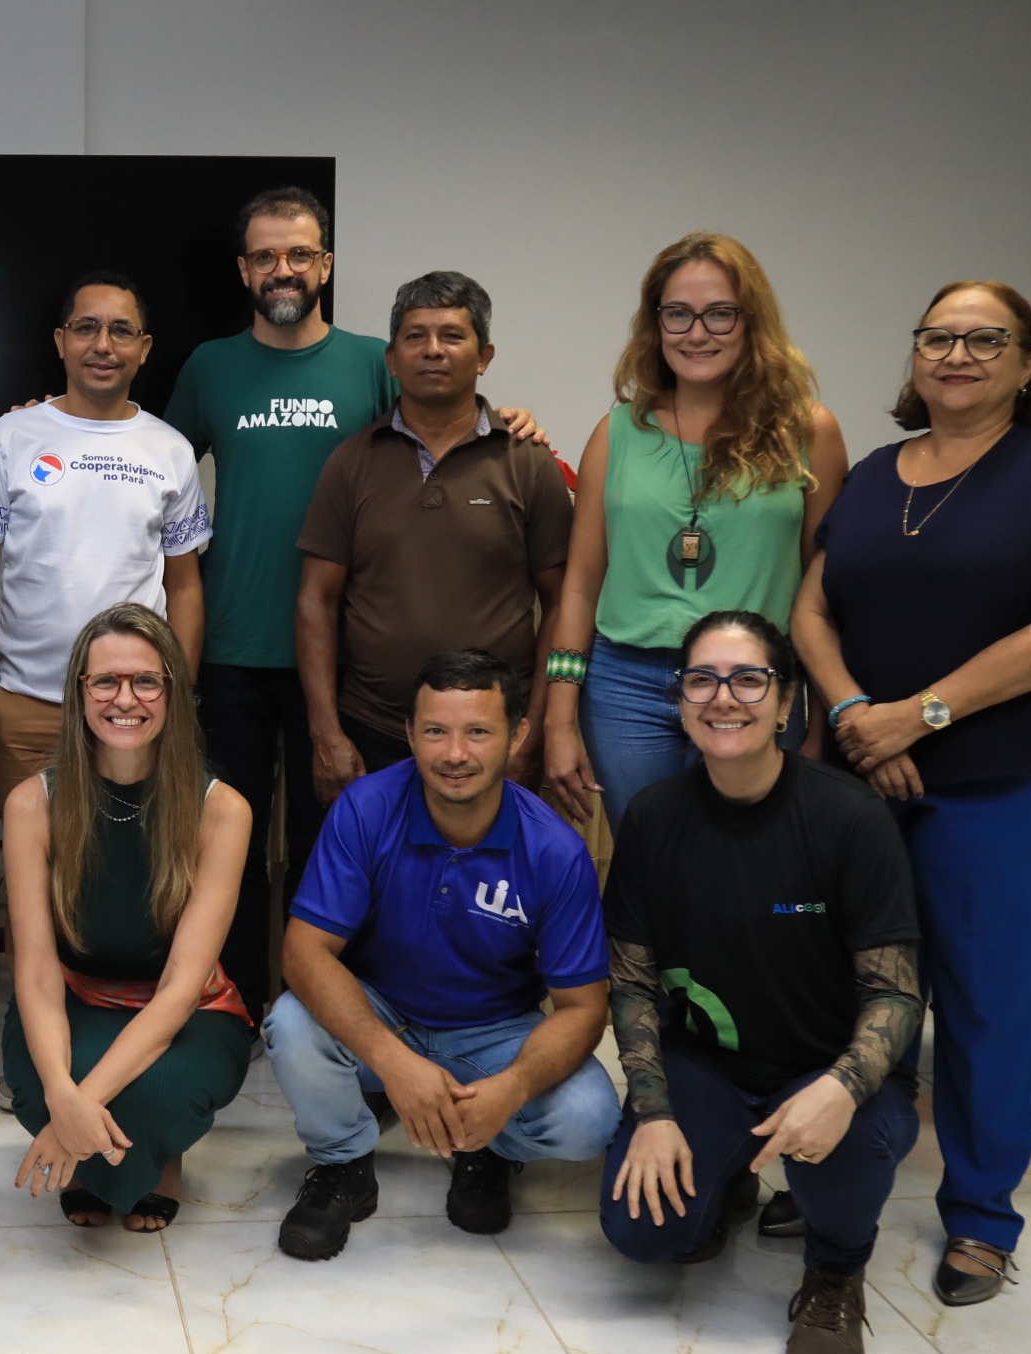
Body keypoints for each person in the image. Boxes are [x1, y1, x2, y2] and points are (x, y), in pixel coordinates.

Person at [791, 280, 1031, 1307]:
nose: (957, 354)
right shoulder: (871, 474)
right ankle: (838, 1173)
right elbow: (811, 611)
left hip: (1005, 785)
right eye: (938, 337)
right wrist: (858, 713)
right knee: (853, 994)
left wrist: (919, 716)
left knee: (991, 1005)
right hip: (864, 778)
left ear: (1028, 363)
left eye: (986, 339)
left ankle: (982, 1216)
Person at [168, 189, 545, 1012]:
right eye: (265, 256)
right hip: (232, 644)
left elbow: (435, 430)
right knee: (226, 844)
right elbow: (150, 462)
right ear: (244, 270)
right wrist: (59, 419)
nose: (283, 269)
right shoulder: (209, 367)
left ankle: (317, 1009)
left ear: (326, 265)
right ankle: (236, 1008)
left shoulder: (375, 360)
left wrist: (513, 419)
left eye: (299, 254)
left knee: (330, 848)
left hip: (337, 660)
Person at [599, 611, 925, 1354]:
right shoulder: (654, 816)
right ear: (681, 700)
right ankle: (728, 1178)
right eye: (702, 680)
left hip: (826, 1070)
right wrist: (653, 1112)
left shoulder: (849, 817)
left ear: (785, 705)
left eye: (749, 680)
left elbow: (896, 992)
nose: (724, 698)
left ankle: (836, 1272)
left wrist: (842, 1088)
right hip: (709, 1067)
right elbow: (633, 981)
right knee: (643, 1234)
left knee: (845, 1154)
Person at [265, 649, 619, 1258]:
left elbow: (584, 1009)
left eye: (478, 732)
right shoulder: (367, 807)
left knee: (590, 1117)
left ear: (517, 736)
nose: (455, 754)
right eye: (435, 732)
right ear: (409, 734)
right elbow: (303, 953)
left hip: (493, 1033)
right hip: (383, 1014)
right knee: (291, 1024)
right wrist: (394, 1063)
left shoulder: (556, 850)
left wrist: (511, 1089)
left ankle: (488, 1148)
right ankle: (343, 1164)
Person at [541, 232, 849, 832]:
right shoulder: (617, 433)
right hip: (626, 687)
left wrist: (820, 724)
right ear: (655, 323)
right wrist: (558, 722)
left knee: (750, 858)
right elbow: (579, 588)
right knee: (650, 856)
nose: (697, 333)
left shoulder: (808, 431)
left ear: (752, 321)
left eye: (719, 314)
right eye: (677, 314)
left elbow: (823, 592)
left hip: (754, 685)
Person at [1, 603, 252, 1232]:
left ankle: (156, 1159)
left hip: (187, 1011)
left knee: (155, 1093)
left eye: (146, 681)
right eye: (105, 681)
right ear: (79, 692)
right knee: (40, 1084)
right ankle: (98, 1156)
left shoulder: (223, 810)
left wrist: (78, 1107)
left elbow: (179, 992)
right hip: (74, 998)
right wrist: (60, 1093)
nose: (125, 699)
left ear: (173, 693)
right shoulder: (32, 803)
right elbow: (36, 975)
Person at [296, 271, 572, 800]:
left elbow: (564, 603)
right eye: (415, 336)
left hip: (495, 737)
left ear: (484, 356)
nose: (433, 350)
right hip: (372, 733)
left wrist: (535, 729)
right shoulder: (351, 462)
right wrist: (326, 733)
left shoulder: (528, 462)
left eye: (452, 335)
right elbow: (315, 600)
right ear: (392, 359)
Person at [0, 272, 209, 793]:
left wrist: (179, 696)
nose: (103, 344)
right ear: (61, 341)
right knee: (31, 844)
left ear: (144, 348)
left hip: (133, 708)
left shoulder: (171, 450)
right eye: (86, 328)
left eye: (121, 330)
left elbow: (185, 586)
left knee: (129, 845)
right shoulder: (11, 436)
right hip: (26, 706)